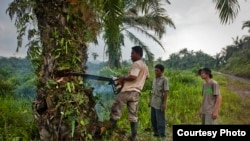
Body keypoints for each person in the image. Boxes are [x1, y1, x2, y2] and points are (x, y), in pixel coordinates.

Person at [109, 46, 149, 141]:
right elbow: (146, 77)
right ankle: (133, 136)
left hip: (127, 91)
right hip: (136, 93)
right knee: (133, 115)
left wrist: (123, 78)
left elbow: (133, 76)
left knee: (116, 110)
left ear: (138, 54)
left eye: (132, 53)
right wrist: (138, 81)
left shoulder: (136, 64)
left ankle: (109, 133)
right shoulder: (145, 66)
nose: (131, 55)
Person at [148, 64, 169, 141]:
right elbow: (152, 91)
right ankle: (156, 133)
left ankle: (162, 136)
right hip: (153, 100)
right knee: (153, 119)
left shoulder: (164, 80)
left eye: (157, 70)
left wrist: (164, 103)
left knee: (160, 119)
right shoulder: (154, 79)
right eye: (155, 70)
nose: (155, 72)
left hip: (159, 101)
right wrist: (150, 101)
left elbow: (166, 92)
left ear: (161, 71)